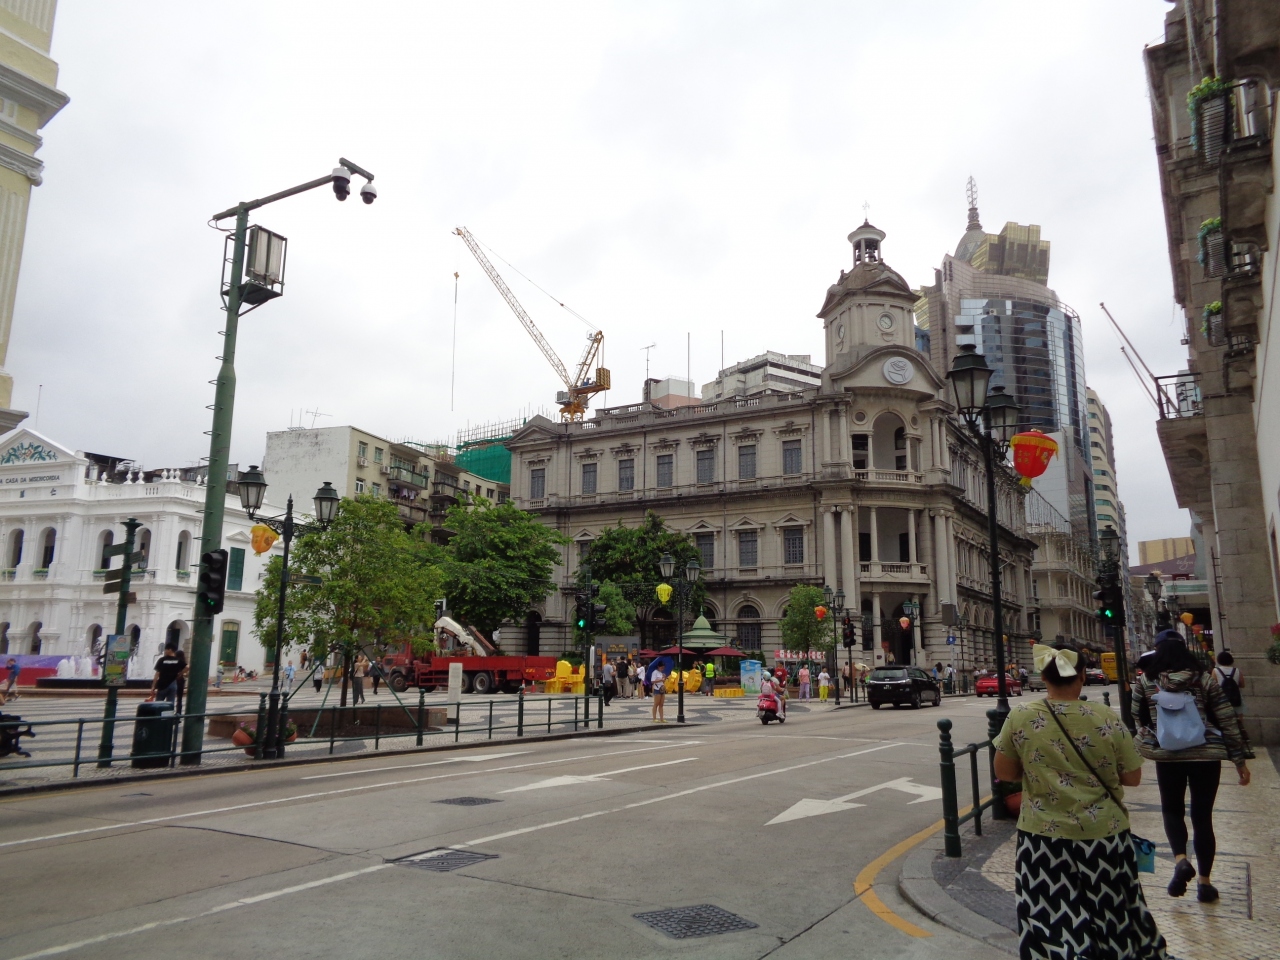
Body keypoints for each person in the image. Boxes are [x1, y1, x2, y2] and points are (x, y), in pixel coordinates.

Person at [994, 642, 1166, 960]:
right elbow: (1132, 777)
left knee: (1049, 920)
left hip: (1042, 838)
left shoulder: (1021, 716)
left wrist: (1041, 772)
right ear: (1083, 675)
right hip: (1104, 835)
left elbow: (1004, 772)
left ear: (1043, 677)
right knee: (1113, 915)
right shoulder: (1105, 716)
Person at [1133, 631, 1250, 903]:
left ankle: (1181, 860)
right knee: (1202, 817)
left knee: (1171, 809)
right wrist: (1239, 760)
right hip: (1206, 754)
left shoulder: (1147, 680)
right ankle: (1205, 883)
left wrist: (1150, 734)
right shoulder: (1203, 678)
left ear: (1158, 650)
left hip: (1168, 755)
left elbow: (1136, 715)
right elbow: (1226, 718)